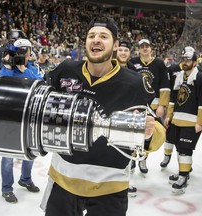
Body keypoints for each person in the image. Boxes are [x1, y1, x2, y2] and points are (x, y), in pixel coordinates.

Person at [41, 17, 166, 216]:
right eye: (91, 36)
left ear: (115, 45)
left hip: (110, 186)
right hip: (63, 180)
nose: (96, 40)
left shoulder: (134, 83)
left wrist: (149, 133)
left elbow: (157, 131)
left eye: (103, 36)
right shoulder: (65, 70)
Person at [0, 38, 43, 203]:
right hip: (11, 116)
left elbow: (39, 83)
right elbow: (3, 85)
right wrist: (10, 67)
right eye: (21, 51)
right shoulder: (7, 69)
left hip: (29, 115)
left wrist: (24, 69)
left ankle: (25, 179)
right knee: (8, 155)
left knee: (30, 150)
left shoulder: (31, 68)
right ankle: (7, 188)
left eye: (27, 51)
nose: (24, 54)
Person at [164, 46, 202, 194]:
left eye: (188, 60)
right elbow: (173, 99)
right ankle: (183, 172)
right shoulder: (179, 77)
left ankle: (183, 177)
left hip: (191, 122)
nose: (185, 62)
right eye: (183, 59)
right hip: (177, 119)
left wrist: (200, 122)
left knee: (185, 150)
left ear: (195, 62)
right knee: (179, 147)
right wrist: (169, 116)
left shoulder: (201, 77)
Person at [129, 39, 170, 174]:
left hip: (153, 105)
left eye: (147, 46)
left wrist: (162, 105)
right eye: (142, 47)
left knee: (149, 134)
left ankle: (143, 158)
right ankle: (131, 158)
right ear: (139, 49)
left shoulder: (159, 64)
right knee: (133, 132)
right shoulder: (132, 63)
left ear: (151, 48)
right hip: (136, 103)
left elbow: (165, 86)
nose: (145, 48)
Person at [116, 39, 138, 197]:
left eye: (126, 50)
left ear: (130, 53)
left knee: (126, 152)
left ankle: (123, 184)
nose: (123, 53)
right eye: (121, 50)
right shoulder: (107, 67)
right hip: (109, 114)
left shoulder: (134, 71)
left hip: (128, 115)